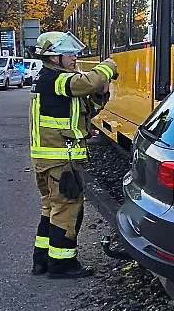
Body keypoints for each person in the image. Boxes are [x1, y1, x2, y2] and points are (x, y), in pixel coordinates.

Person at [29, 31, 117, 278]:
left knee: (52, 208)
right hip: (59, 160)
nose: (74, 57)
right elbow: (83, 84)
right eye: (69, 54)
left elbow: (84, 112)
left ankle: (42, 261)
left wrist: (101, 93)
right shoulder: (54, 78)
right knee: (67, 209)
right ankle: (62, 265)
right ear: (54, 57)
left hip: (50, 159)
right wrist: (108, 67)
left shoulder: (51, 80)